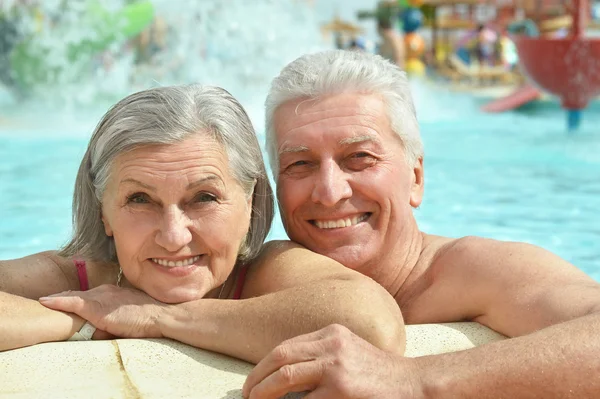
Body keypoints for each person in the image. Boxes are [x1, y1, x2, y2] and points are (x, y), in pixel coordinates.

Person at [242, 50, 600, 398]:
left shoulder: (467, 271)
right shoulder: (267, 274)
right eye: (300, 165)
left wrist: (413, 380)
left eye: (359, 157)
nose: (330, 191)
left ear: (416, 178)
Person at [0, 84, 405, 365]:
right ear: (103, 211)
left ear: (249, 202)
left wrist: (158, 318)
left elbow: (373, 327)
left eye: (205, 198)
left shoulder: (265, 271)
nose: (174, 236)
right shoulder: (78, 279)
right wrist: (82, 318)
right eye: (140, 200)